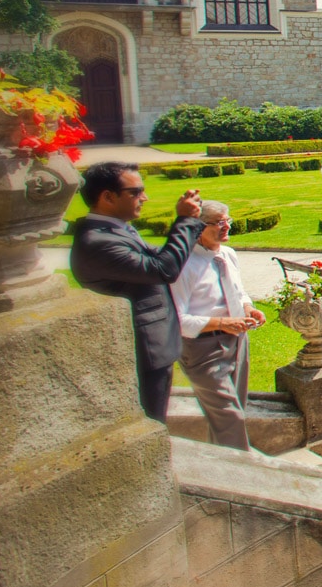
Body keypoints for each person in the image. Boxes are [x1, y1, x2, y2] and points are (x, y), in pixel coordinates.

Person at [71, 162, 204, 422]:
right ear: (107, 197)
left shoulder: (113, 230)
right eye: (135, 192)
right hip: (141, 352)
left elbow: (157, 258)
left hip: (152, 346)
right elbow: (163, 269)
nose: (144, 198)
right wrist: (186, 221)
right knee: (150, 421)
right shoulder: (97, 242)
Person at [169, 200, 264, 451]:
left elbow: (238, 292)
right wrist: (223, 322)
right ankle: (243, 474)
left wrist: (248, 309)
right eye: (219, 223)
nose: (226, 227)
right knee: (230, 418)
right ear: (198, 227)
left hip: (237, 341)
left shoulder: (227, 254)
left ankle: (220, 464)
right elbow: (177, 320)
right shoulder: (184, 265)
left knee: (232, 412)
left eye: (228, 221)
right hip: (203, 350)